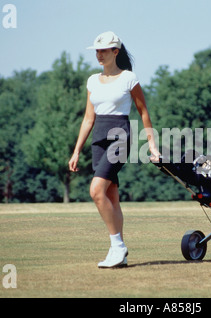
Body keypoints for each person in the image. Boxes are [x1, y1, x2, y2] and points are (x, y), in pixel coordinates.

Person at [68, 31, 160, 268]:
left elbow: (144, 113)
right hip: (98, 139)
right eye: (97, 51)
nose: (99, 54)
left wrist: (152, 145)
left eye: (104, 50)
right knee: (111, 197)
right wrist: (77, 150)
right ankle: (118, 252)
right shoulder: (92, 81)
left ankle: (118, 247)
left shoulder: (129, 78)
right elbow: (88, 119)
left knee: (96, 190)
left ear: (115, 52)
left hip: (120, 137)